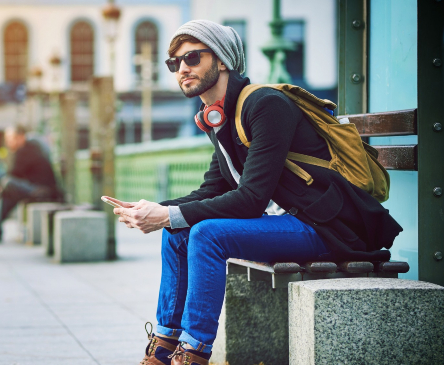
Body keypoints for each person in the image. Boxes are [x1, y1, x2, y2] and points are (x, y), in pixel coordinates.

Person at [110, 20, 402, 365]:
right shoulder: (219, 116)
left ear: (222, 61)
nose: (182, 69)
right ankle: (162, 350)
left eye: (192, 58)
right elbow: (210, 190)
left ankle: (192, 354)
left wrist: (169, 215)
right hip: (288, 225)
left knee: (206, 234)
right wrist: (155, 210)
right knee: (176, 232)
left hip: (325, 227)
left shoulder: (265, 105)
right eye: (174, 63)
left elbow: (251, 199)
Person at [0, 125, 61, 243]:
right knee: (8, 190)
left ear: (21, 137)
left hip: (43, 190)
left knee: (8, 184)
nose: (8, 143)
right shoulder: (27, 148)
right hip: (34, 188)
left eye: (10, 139)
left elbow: (13, 173)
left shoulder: (27, 149)